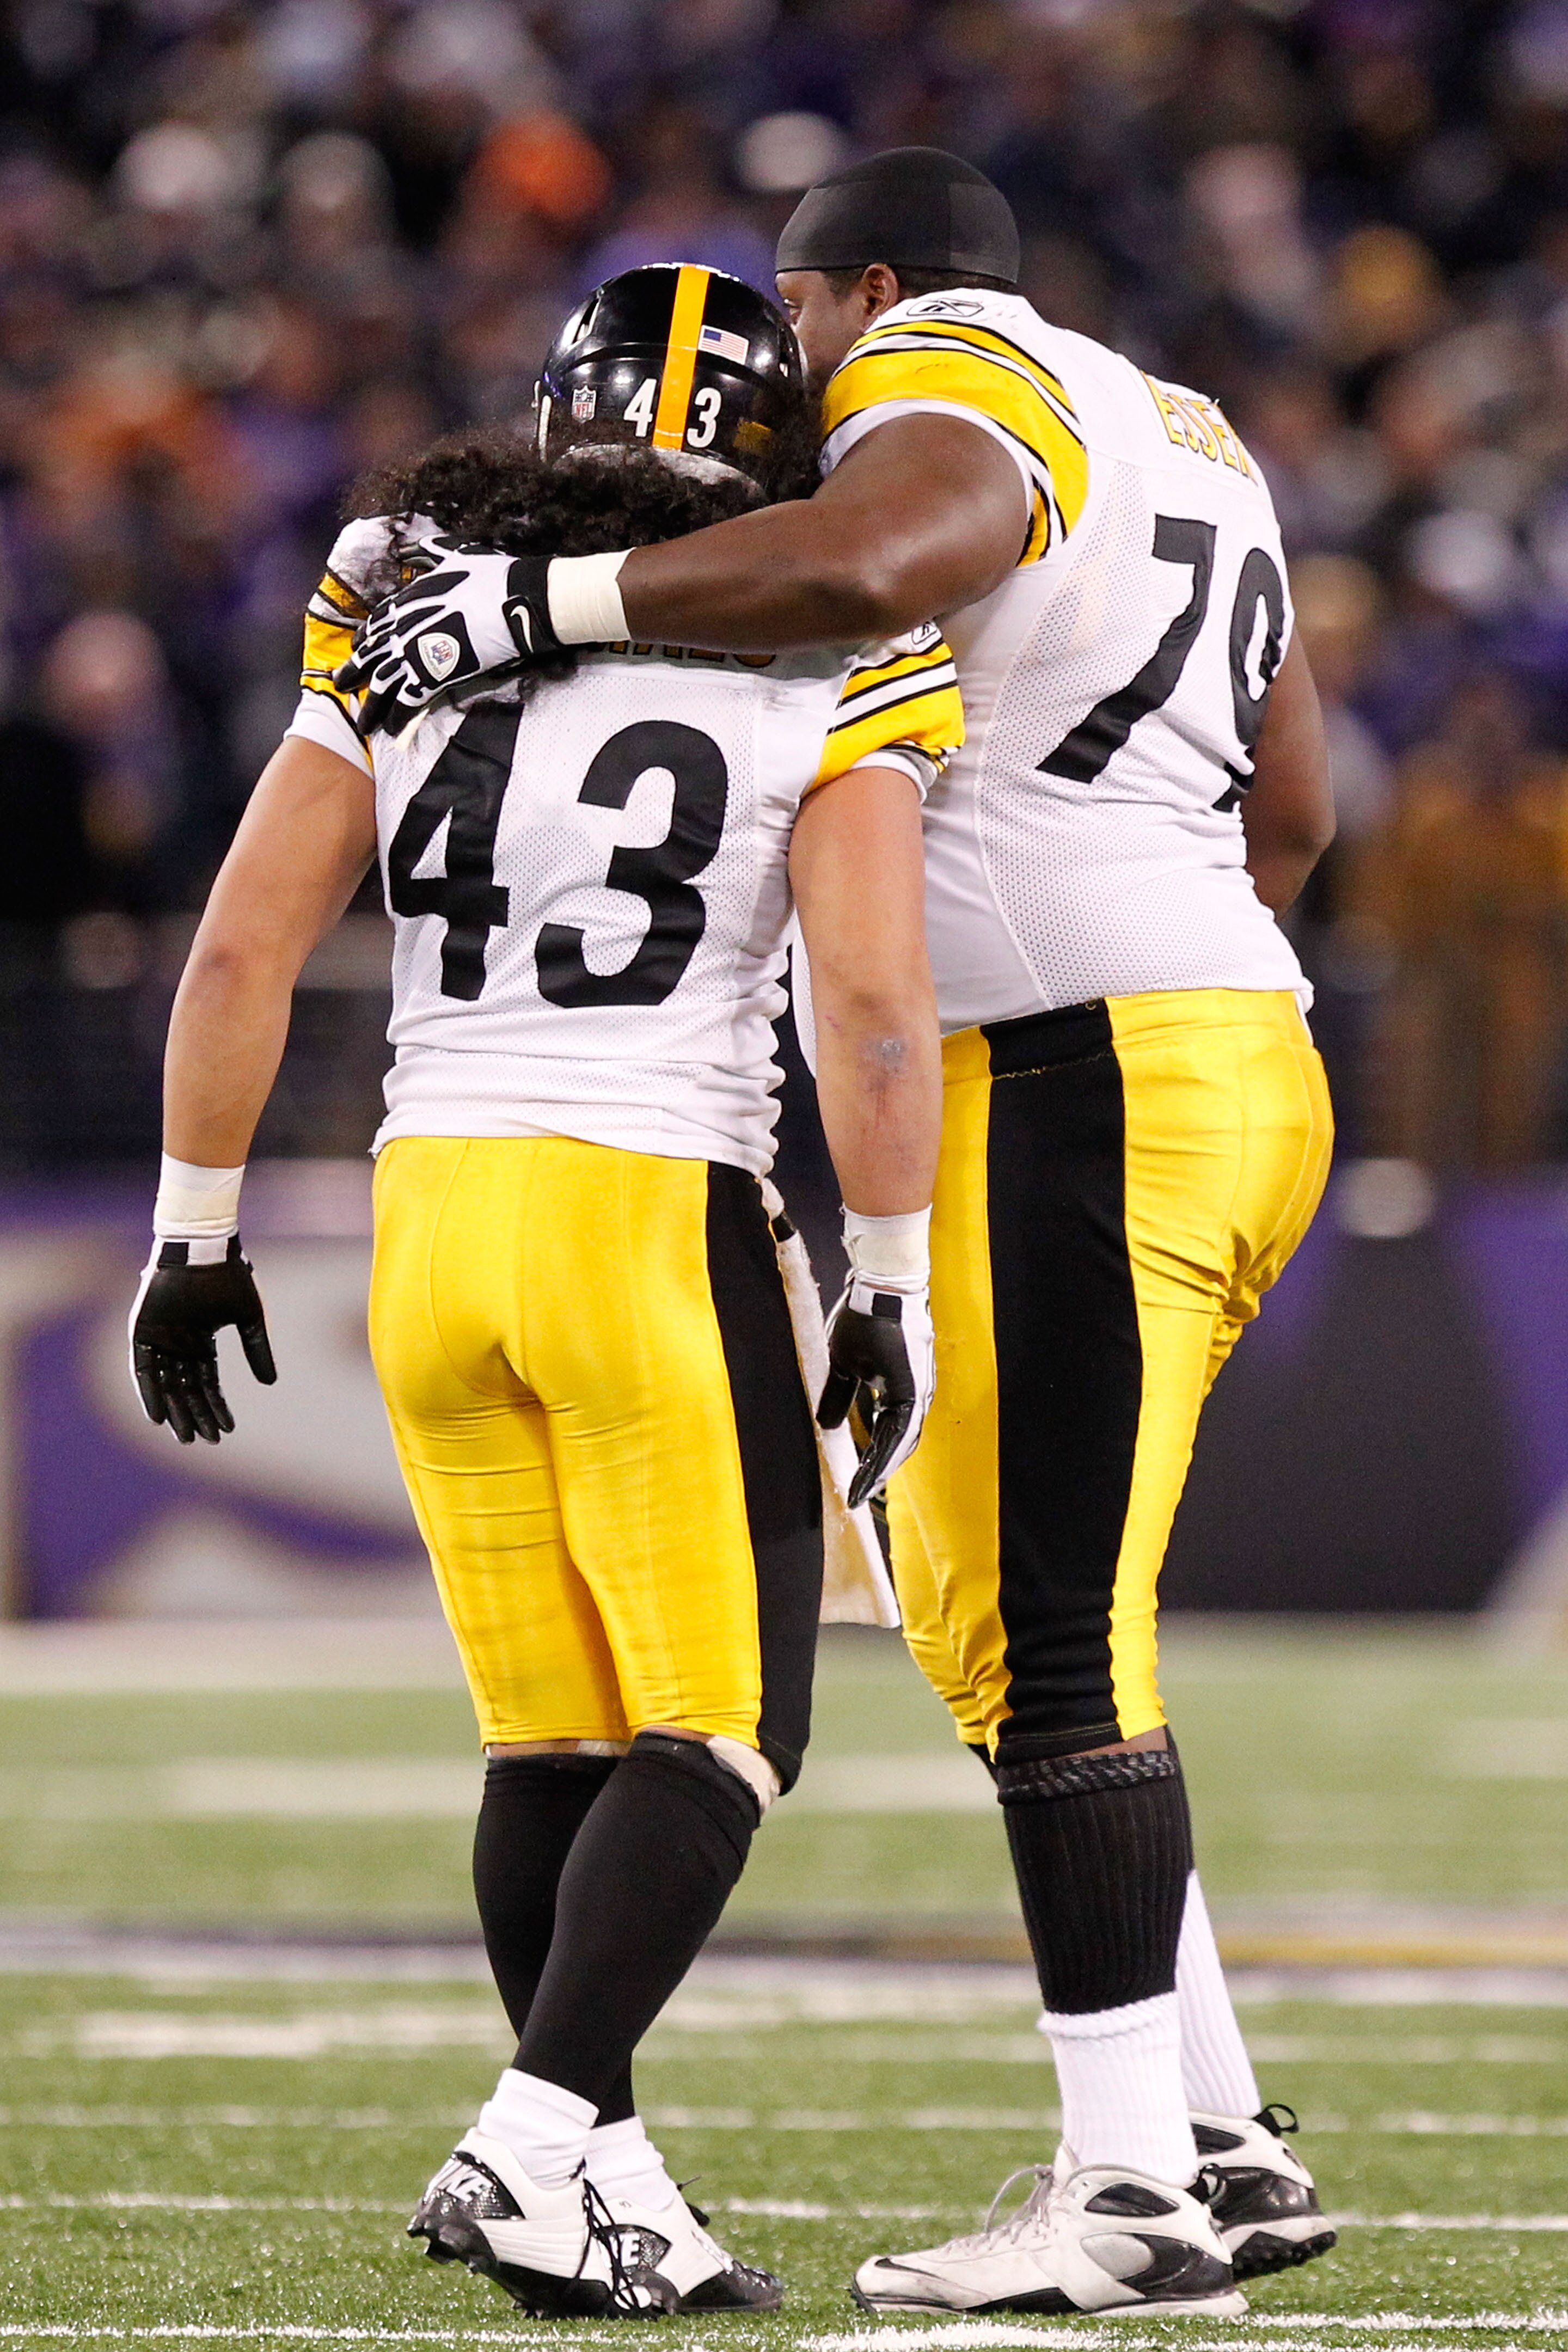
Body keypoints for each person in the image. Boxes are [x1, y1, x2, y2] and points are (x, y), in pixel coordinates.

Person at [339, 151, 1340, 2321]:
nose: (789, 383)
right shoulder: (1188, 425)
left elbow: (879, 548)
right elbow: (1300, 805)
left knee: (1044, 1641)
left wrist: (547, 606)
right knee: (1016, 1622)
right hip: (1214, 1048)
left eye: (795, 322)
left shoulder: (941, 368)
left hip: (1079, 1072)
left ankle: (1127, 2188)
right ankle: (1212, 2140)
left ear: (867, 289)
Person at [128, 264, 960, 2319]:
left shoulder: (399, 592)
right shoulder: (841, 636)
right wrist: (890, 1267)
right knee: (729, 1730)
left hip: (425, 1216)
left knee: (554, 1742)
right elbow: (868, 1006)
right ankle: (528, 2139)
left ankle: (610, 2191)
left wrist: (193, 1229)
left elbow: (239, 949)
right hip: (646, 1206)